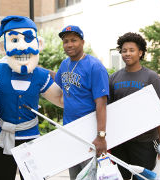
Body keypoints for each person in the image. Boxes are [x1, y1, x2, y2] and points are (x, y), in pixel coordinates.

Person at [0, 15, 63, 180]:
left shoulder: (41, 76)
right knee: (1, 176)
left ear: (39, 44)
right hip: (4, 139)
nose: (22, 46)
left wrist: (84, 92)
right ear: (3, 47)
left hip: (31, 141)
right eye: (14, 40)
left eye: (28, 39)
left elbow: (61, 100)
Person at [108, 32, 160, 180]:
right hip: (120, 142)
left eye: (131, 50)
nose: (127, 53)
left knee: (144, 178)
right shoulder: (113, 78)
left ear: (140, 53)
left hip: (145, 142)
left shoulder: (151, 77)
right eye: (124, 50)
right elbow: (108, 112)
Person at [54, 25, 109, 179]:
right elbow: (57, 81)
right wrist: (37, 70)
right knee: (75, 176)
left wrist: (101, 136)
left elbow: (101, 104)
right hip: (71, 131)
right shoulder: (65, 64)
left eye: (74, 40)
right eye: (65, 41)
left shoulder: (95, 66)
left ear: (82, 42)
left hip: (89, 132)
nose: (69, 44)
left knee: (90, 176)